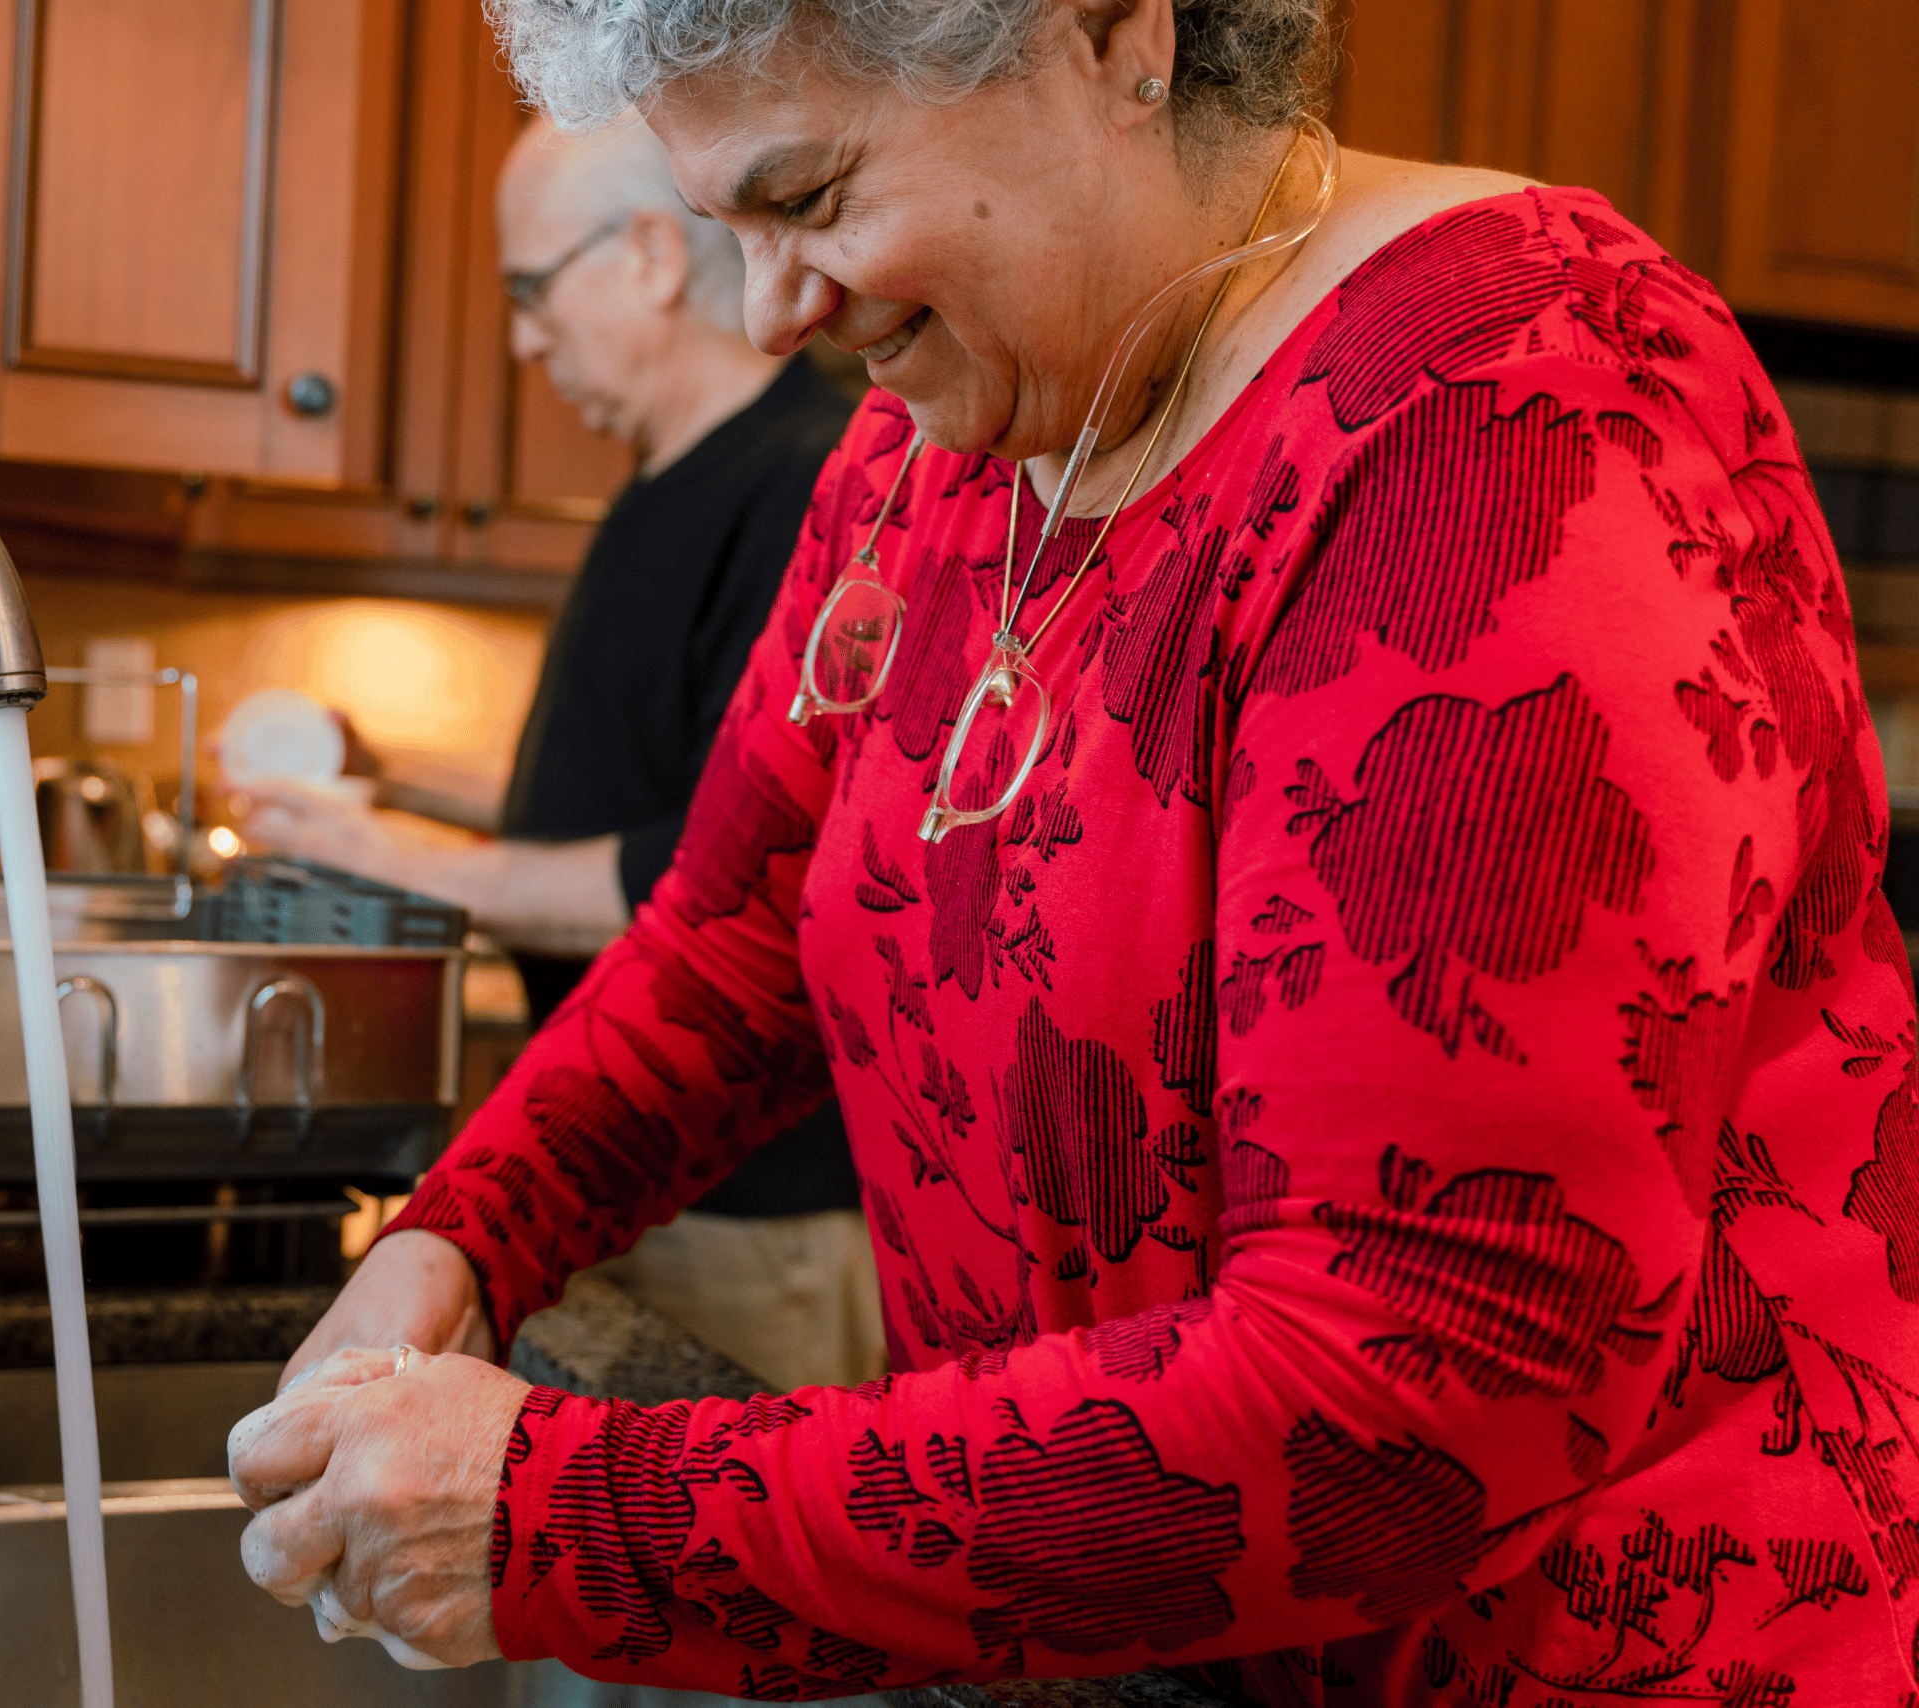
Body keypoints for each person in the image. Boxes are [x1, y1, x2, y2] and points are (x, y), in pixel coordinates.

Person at [225, 0, 1919, 1699]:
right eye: (731, 228)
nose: (768, 311)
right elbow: (737, 936)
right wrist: (458, 1241)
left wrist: (580, 1518)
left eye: (809, 199)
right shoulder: (931, 450)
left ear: (1115, 34)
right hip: (1128, 1643)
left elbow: (1406, 1392)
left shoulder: (1500, 426)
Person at [240, 116, 879, 1393]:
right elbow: (628, 786)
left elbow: (705, 881)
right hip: (647, 1184)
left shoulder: (809, 480)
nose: (525, 337)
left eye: (532, 289)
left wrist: (394, 855)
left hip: (755, 1215)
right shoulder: (670, 478)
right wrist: (394, 771)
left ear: (649, 252)